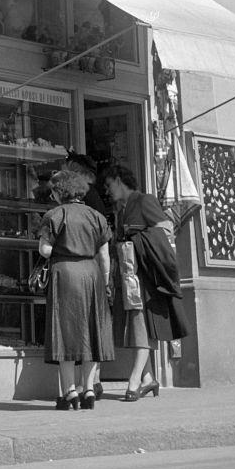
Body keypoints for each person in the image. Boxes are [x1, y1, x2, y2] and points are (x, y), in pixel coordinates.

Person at [102, 162, 190, 402]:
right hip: (129, 275)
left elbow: (166, 231)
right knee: (135, 327)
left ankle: (134, 381)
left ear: (119, 180)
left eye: (109, 185)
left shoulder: (144, 200)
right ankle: (148, 378)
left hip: (144, 277)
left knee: (141, 327)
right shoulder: (122, 210)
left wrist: (135, 240)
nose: (107, 190)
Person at [36, 159, 114, 410]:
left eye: (53, 191)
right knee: (91, 332)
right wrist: (106, 282)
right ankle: (89, 389)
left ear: (61, 192)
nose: (52, 194)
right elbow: (105, 255)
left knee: (65, 333)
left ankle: (70, 392)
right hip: (92, 274)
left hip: (65, 273)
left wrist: (61, 246)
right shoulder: (98, 217)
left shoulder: (54, 215)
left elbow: (45, 250)